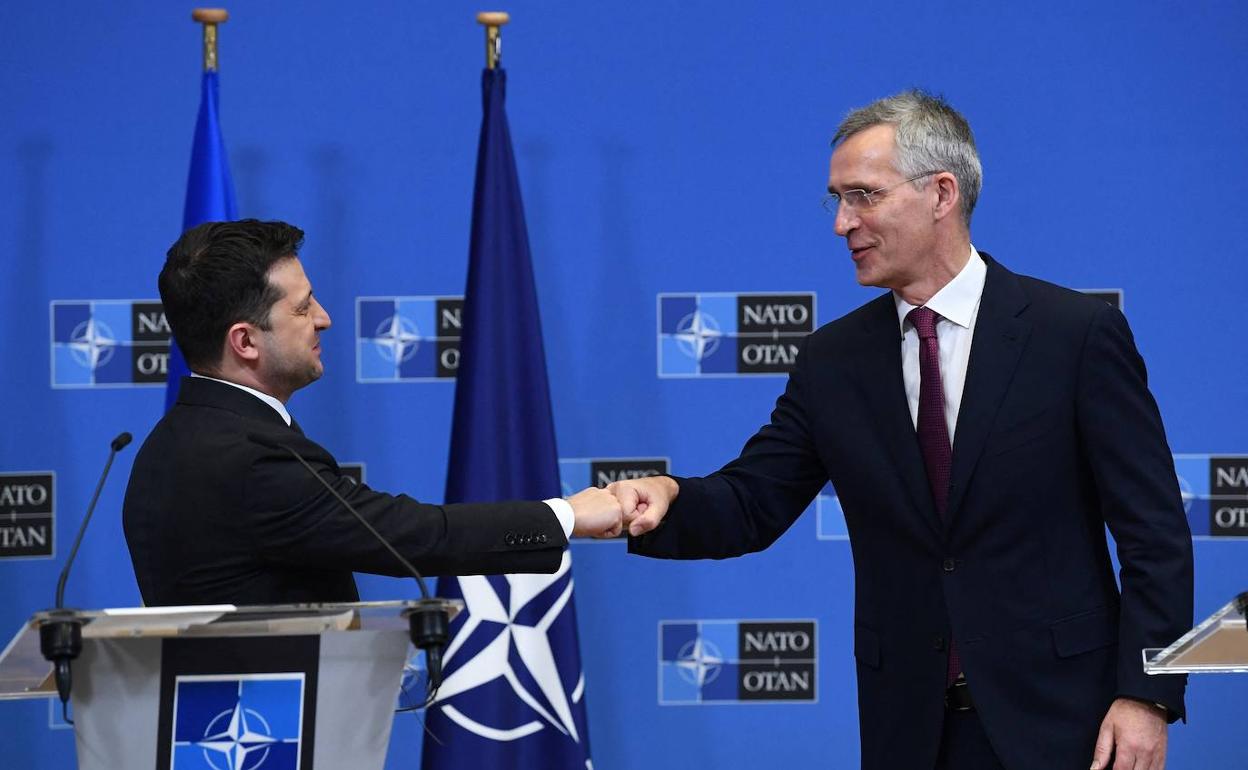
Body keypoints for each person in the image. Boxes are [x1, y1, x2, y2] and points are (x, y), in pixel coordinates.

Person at [611, 91, 1193, 770]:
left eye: (862, 196)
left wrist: (1147, 696)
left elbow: (1154, 534)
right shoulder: (833, 361)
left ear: (941, 193)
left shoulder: (1075, 336)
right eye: (835, 199)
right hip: (909, 733)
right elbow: (751, 502)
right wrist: (663, 502)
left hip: (1067, 725)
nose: (841, 223)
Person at [123, 219, 622, 607]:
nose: (324, 318)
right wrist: (568, 515)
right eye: (301, 308)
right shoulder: (249, 460)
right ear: (246, 341)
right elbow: (419, 536)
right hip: (268, 732)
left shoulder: (168, 445)